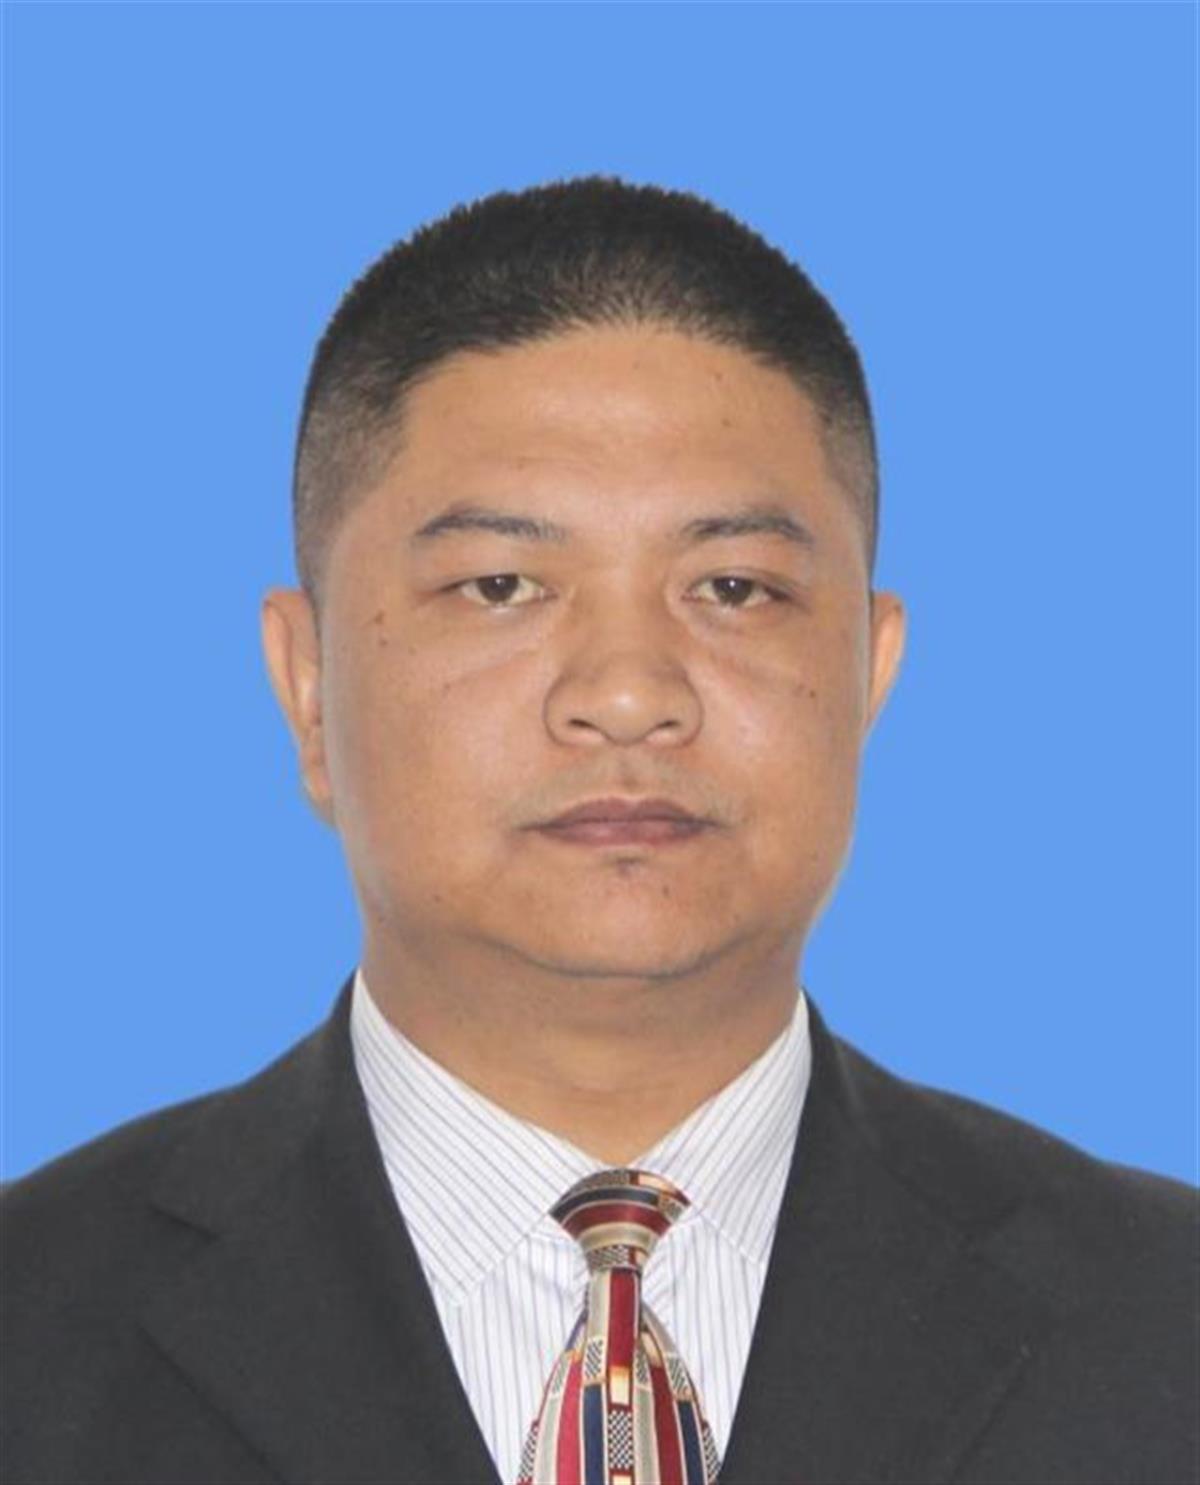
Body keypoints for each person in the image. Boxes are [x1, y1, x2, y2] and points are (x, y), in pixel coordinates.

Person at [2, 176, 1195, 1485]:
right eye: (500, 585)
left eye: (731, 587)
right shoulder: (31, 1324)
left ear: (871, 669)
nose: (628, 693)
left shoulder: (1165, 1319)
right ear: (308, 685)